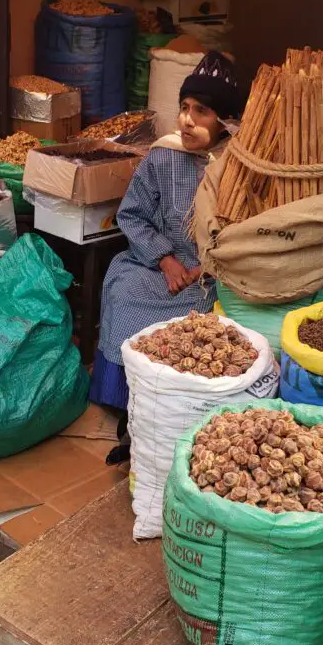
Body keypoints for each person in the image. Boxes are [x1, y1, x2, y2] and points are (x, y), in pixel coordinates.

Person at [89, 51, 240, 460]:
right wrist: (165, 259)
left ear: (224, 120)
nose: (187, 120)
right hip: (156, 263)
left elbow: (243, 232)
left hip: (210, 277)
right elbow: (132, 214)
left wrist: (204, 267)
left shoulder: (240, 167)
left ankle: (162, 404)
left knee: (198, 316)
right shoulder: (164, 155)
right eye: (184, 108)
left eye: (201, 111)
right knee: (123, 290)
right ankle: (125, 399)